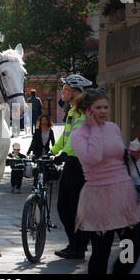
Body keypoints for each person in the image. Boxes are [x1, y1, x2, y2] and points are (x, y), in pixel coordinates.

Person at [70, 88, 140, 274]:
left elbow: (117, 158)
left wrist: (132, 157)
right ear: (88, 110)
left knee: (132, 244)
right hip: (99, 197)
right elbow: (94, 159)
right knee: (101, 251)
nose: (104, 111)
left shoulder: (113, 128)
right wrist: (94, 128)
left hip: (123, 194)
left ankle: (119, 271)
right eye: (98, 107)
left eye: (105, 107)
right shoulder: (79, 135)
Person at [50, 75, 92, 259]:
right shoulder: (73, 110)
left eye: (66, 89)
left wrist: (65, 154)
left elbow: (77, 136)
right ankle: (75, 244)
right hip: (71, 161)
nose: (62, 92)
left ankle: (78, 246)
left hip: (79, 163)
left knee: (74, 207)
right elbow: (65, 136)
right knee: (64, 207)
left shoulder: (84, 111)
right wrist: (52, 151)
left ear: (76, 92)